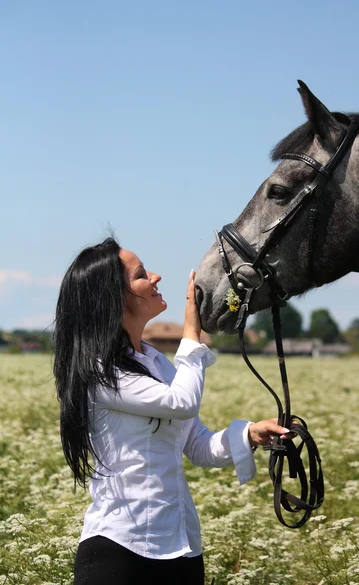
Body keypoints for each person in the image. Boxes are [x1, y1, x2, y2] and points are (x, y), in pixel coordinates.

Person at [54, 237, 292, 585]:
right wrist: (192, 331)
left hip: (181, 548)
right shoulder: (99, 370)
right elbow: (181, 403)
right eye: (140, 275)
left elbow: (197, 445)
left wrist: (251, 434)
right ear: (114, 299)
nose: (156, 277)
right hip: (118, 551)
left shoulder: (154, 362)